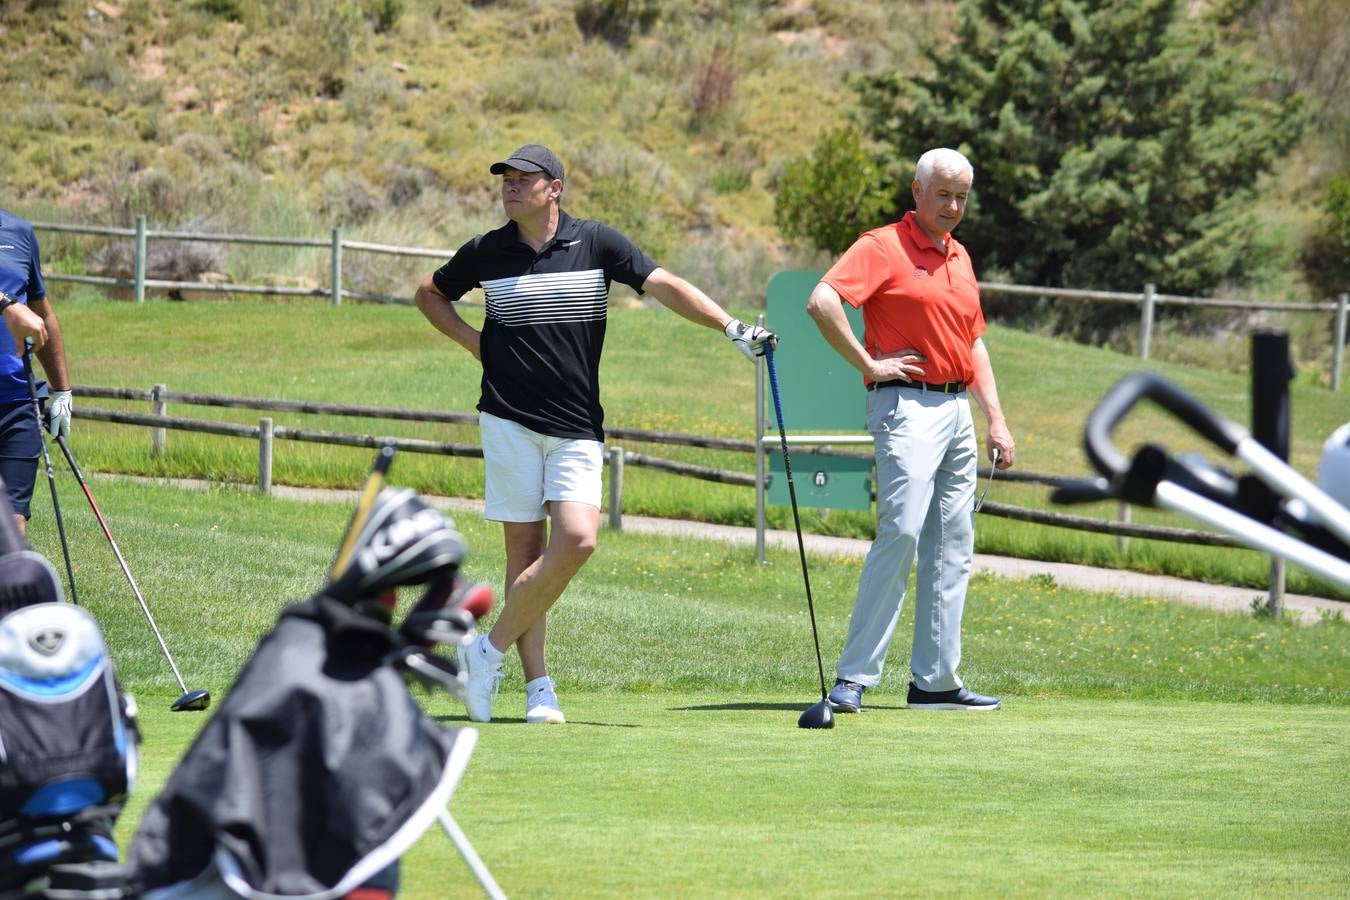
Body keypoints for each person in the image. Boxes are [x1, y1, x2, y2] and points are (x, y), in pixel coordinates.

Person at [414, 144, 775, 724]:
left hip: (578, 423)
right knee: (523, 552)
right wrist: (473, 342)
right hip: (506, 417)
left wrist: (730, 325)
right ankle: (538, 690)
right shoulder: (487, 250)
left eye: (522, 178)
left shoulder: (597, 242)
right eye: (505, 178)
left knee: (578, 539)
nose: (510, 186)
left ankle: (485, 650)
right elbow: (429, 293)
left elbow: (665, 283)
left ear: (554, 187)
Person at [805, 147, 1014, 713]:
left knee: (953, 544)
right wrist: (866, 364)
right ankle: (852, 679)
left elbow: (972, 342)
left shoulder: (960, 256)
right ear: (916, 191)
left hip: (955, 413)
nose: (952, 206)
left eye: (962, 197)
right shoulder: (882, 246)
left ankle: (936, 683)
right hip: (906, 408)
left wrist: (994, 416)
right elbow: (822, 301)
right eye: (943, 194)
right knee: (900, 533)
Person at [0, 209, 73, 538]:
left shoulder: (21, 233)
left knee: (12, 530)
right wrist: (6, 304)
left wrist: (62, 391)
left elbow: (42, 313)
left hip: (17, 402)